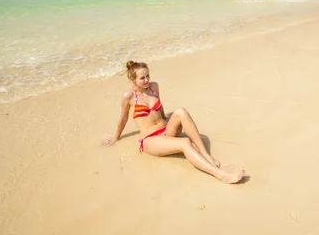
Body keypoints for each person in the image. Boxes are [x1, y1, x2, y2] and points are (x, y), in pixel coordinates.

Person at [101, 60, 245, 184]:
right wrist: (116, 137)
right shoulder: (128, 97)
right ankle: (220, 175)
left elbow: (160, 106)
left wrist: (167, 119)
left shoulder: (154, 86)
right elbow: (123, 118)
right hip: (150, 140)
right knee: (185, 143)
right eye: (142, 78)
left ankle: (206, 155)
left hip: (166, 131)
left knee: (181, 111)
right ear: (133, 80)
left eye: (147, 76)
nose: (146, 80)